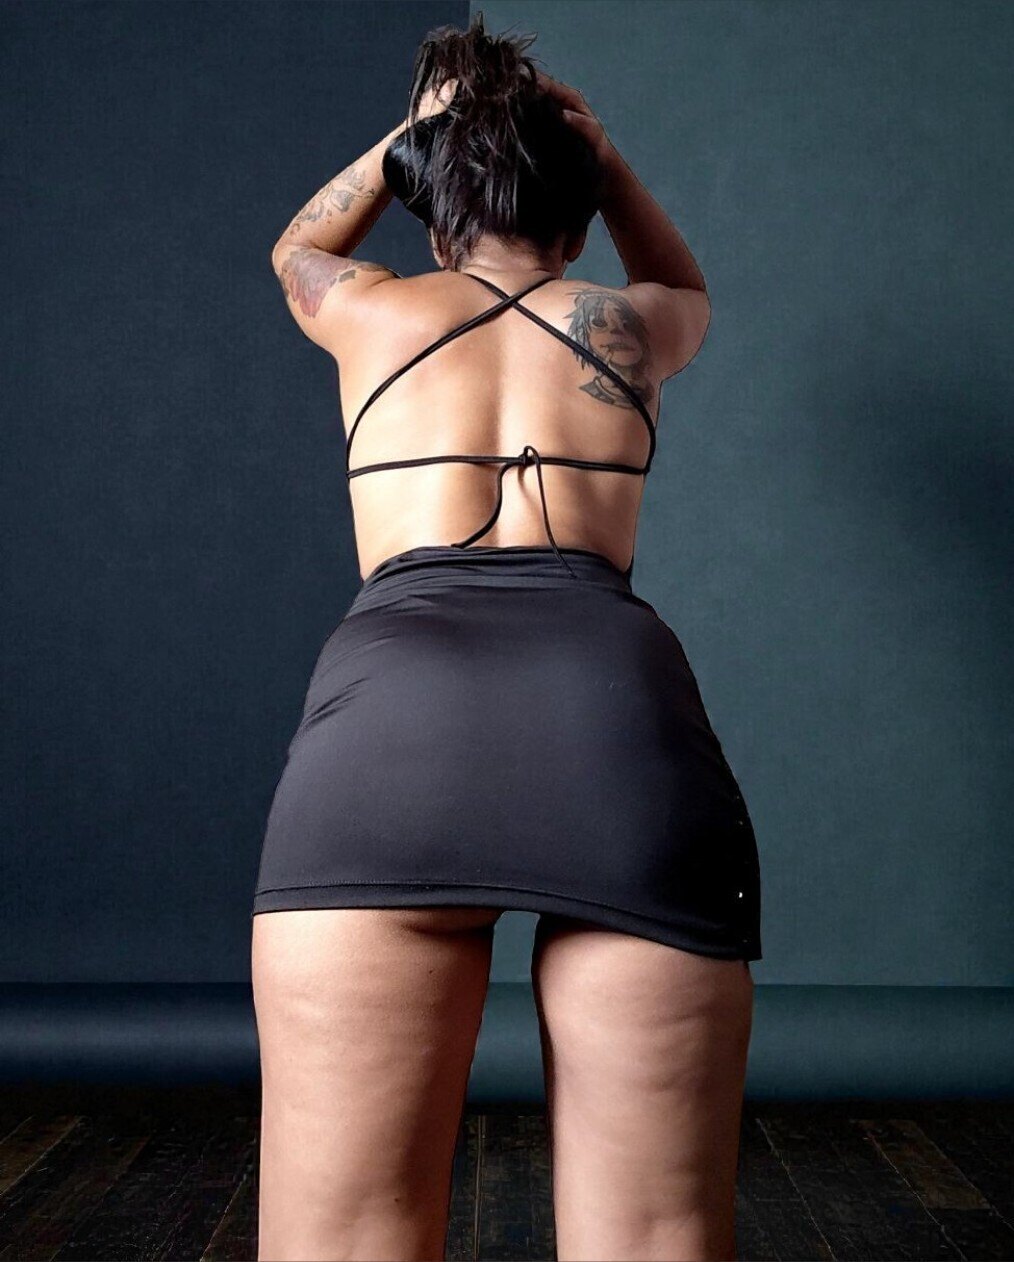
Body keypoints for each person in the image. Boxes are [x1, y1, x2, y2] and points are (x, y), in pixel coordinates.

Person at [251, 14, 761, 1262]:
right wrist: (607, 159)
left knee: (342, 1238)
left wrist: (411, 140)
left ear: (434, 214)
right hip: (617, 730)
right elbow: (691, 286)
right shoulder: (627, 326)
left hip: (390, 738)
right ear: (579, 220)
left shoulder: (371, 309)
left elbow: (295, 247)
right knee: (654, 1234)